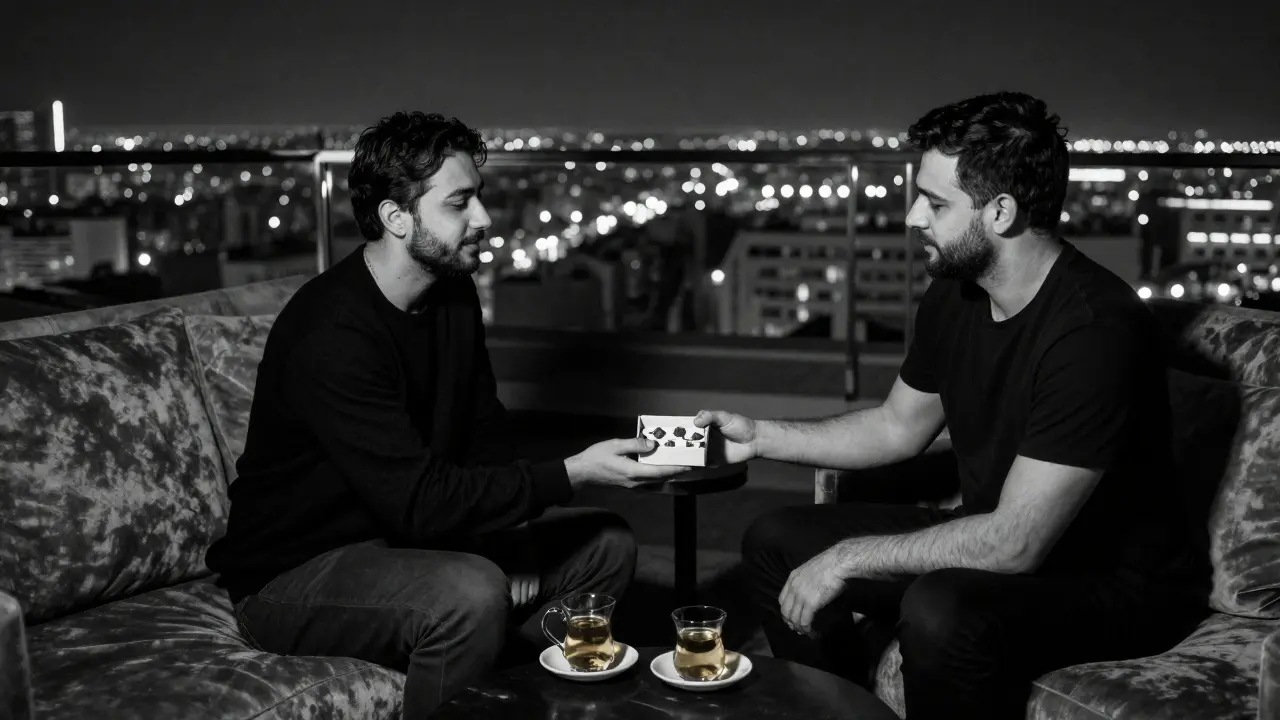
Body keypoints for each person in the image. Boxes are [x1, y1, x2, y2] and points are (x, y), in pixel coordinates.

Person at [696, 92, 1206, 719]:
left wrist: (847, 558)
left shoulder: (1094, 330)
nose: (913, 216)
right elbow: (895, 427)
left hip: (1113, 586)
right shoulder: (956, 293)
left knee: (939, 608)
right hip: (999, 535)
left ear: (1001, 212)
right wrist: (757, 435)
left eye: (935, 203)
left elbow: (1016, 545)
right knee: (775, 539)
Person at [205, 111, 688, 717]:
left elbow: (483, 431)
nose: (484, 219)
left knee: (607, 545)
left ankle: (509, 686)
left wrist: (498, 538)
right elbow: (419, 502)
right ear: (395, 217)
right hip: (295, 574)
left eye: (478, 198)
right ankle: (471, 647)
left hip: (406, 540)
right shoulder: (332, 332)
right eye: (460, 203)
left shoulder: (452, 292)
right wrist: (570, 474)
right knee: (470, 593)